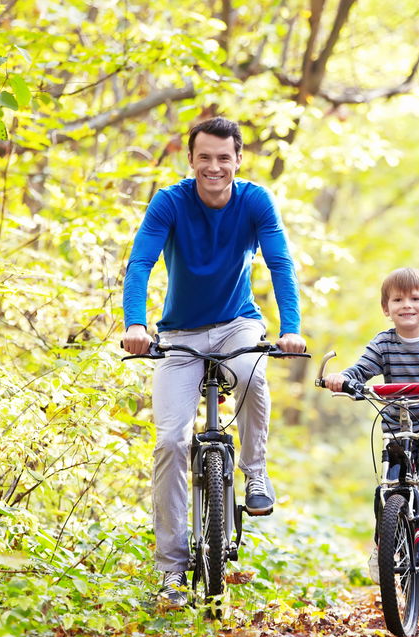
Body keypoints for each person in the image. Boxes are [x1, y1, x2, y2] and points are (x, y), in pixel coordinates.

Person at [121, 117, 306, 608]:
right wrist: (136, 324)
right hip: (179, 333)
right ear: (191, 160)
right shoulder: (170, 202)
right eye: (204, 157)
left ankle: (255, 469)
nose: (214, 166)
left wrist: (289, 329)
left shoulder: (255, 201)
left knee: (250, 373)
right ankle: (171, 574)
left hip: (235, 323)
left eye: (224, 157)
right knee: (169, 442)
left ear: (238, 160)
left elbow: (280, 264)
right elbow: (140, 263)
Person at [321, 268, 419, 577]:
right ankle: (385, 547)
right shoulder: (383, 344)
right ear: (386, 308)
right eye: (398, 299)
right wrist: (342, 379)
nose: (407, 305)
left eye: (415, 298)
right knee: (387, 486)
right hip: (399, 428)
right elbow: (360, 370)